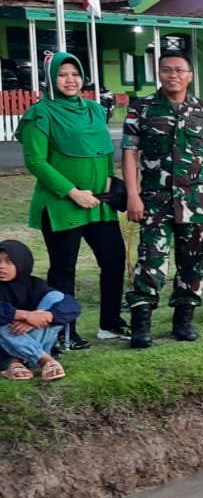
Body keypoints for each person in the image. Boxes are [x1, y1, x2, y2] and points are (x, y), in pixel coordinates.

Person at [17, 52, 127, 348]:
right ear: (51, 79)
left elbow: (103, 151)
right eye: (62, 74)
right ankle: (64, 331)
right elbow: (36, 161)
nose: (70, 80)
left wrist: (108, 183)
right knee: (64, 269)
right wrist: (72, 192)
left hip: (98, 203)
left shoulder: (94, 109)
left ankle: (111, 323)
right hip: (61, 204)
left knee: (114, 260)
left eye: (74, 74)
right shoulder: (40, 114)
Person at [122, 51, 203, 349]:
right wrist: (133, 195)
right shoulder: (142, 109)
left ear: (190, 75)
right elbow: (129, 153)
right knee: (151, 262)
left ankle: (183, 321)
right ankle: (141, 325)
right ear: (159, 74)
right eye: (167, 70)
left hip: (195, 201)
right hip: (155, 200)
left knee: (193, 261)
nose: (173, 75)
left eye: (179, 70)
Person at [0, 241, 81, 381]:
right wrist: (25, 315)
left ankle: (17, 360)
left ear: (22, 262)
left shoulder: (34, 284)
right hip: (3, 345)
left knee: (56, 298)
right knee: (3, 324)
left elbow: (72, 307)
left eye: (9, 262)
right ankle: (44, 360)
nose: (1, 267)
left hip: (31, 335)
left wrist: (43, 318)